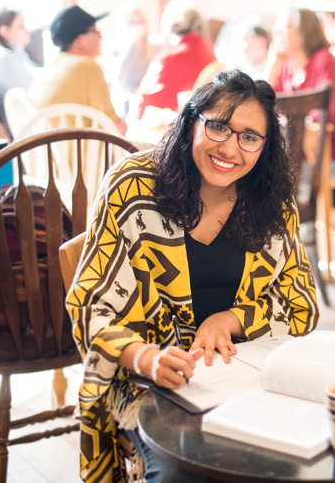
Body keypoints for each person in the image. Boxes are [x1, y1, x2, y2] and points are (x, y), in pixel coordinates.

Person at [66, 69, 320, 482]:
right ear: (191, 122)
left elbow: (302, 306)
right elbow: (90, 306)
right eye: (218, 126)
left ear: (265, 148)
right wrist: (147, 358)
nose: (230, 148)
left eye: (250, 137)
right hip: (150, 388)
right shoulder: (132, 186)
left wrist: (231, 319)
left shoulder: (272, 204)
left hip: (246, 381)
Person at [266, 6, 335, 178]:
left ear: (302, 32)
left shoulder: (325, 61)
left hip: (328, 158)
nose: (276, 32)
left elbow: (332, 117)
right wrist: (273, 64)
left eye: (283, 27)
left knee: (274, 180)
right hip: (294, 156)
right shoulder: (287, 67)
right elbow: (263, 104)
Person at [29, 5, 126, 135]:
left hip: (44, 150)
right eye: (95, 31)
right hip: (76, 152)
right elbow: (115, 128)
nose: (100, 37)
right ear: (78, 41)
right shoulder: (86, 66)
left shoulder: (54, 65)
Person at [132, 0, 216, 118]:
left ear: (171, 26)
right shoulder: (210, 50)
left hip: (173, 124)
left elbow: (145, 99)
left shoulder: (170, 57)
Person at [195, 16, 272, 88]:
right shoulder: (236, 68)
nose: (241, 47)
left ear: (260, 42)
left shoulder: (272, 69)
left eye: (244, 40)